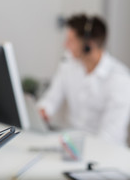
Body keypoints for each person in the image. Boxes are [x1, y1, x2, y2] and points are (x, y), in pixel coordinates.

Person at [37, 14, 130, 146]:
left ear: (88, 45)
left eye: (70, 41)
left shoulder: (120, 80)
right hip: (72, 145)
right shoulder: (68, 64)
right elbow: (51, 100)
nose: (65, 45)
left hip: (106, 152)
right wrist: (43, 111)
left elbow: (109, 136)